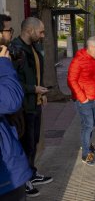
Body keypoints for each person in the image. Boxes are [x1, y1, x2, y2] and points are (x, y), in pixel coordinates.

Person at [11, 17, 53, 197]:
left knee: (34, 141)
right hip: (23, 107)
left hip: (35, 104)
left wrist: (41, 93)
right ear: (30, 30)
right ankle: (24, 180)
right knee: (25, 144)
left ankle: (32, 173)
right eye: (41, 32)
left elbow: (37, 74)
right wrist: (32, 89)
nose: (43, 35)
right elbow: (11, 83)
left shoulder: (34, 48)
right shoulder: (14, 49)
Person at [0, 14, 33, 200]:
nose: (10, 34)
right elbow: (10, 100)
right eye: (7, 30)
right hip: (6, 176)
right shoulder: (3, 63)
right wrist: (4, 65)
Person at [67, 36, 95, 166]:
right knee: (88, 125)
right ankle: (85, 154)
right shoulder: (78, 60)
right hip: (84, 100)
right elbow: (71, 80)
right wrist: (82, 98)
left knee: (92, 123)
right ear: (91, 47)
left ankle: (87, 144)